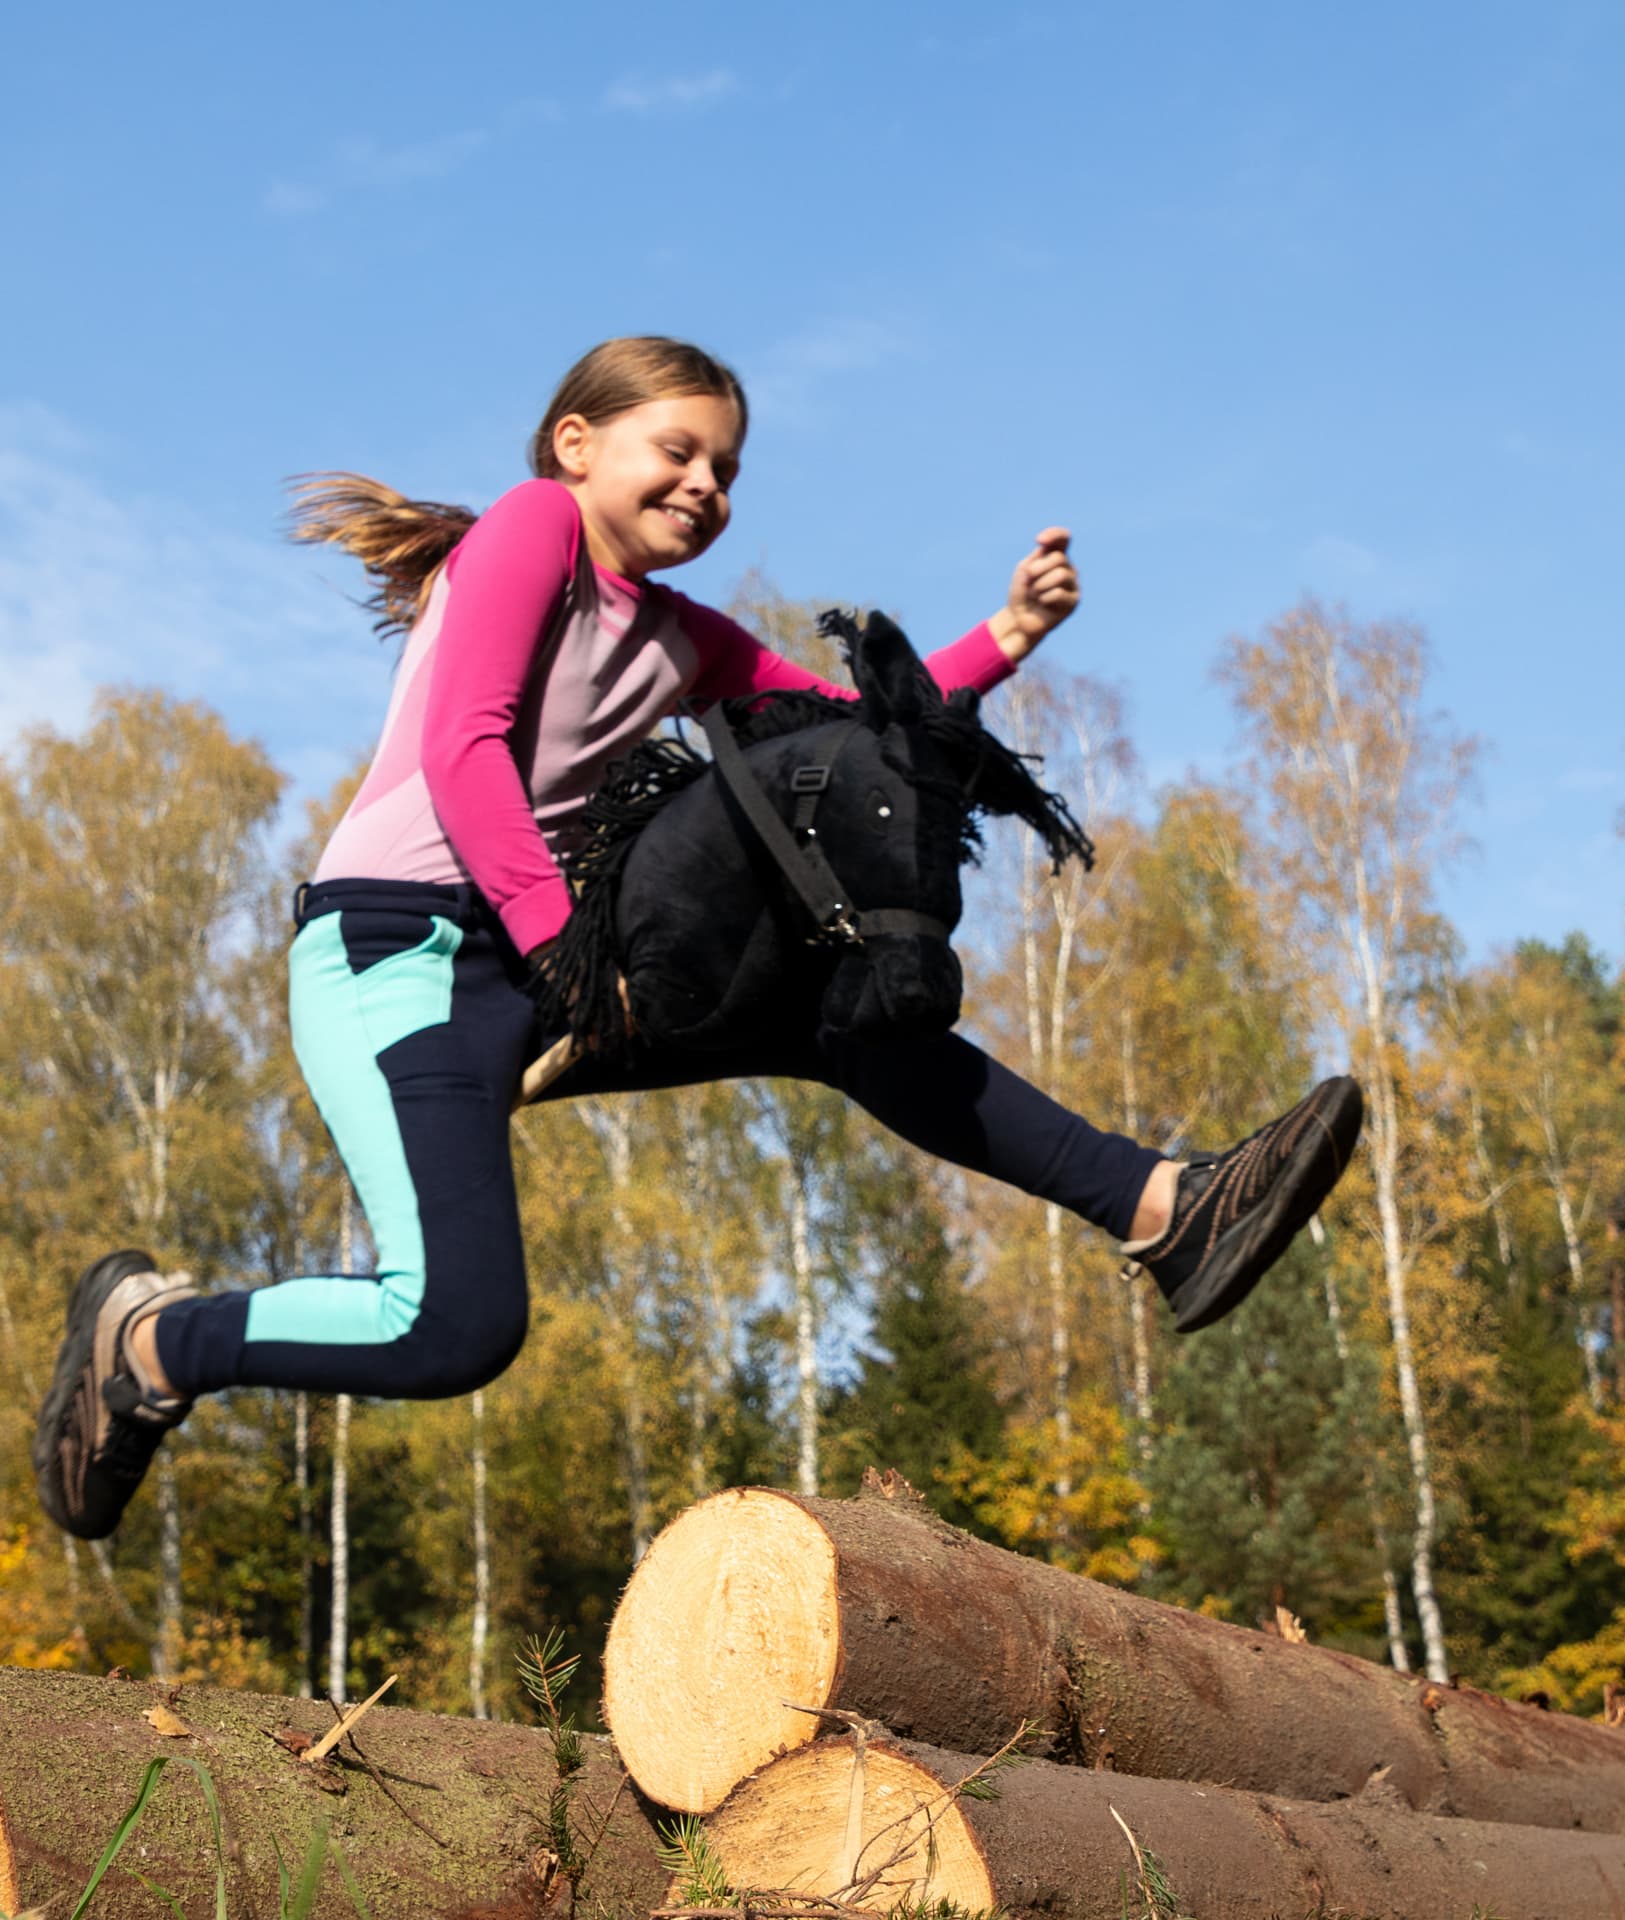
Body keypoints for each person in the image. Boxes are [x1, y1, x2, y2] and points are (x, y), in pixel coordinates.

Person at [34, 336, 1361, 1542]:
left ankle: (1161, 1207)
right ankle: (154, 1345)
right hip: (405, 953)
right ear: (576, 446)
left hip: (541, 964)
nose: (706, 483)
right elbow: (464, 748)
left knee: (848, 1017)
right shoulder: (529, 530)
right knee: (451, 1323)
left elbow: (851, 730)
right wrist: (561, 946)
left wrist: (1007, 635)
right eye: (678, 449)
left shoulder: (685, 637)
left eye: (727, 468)